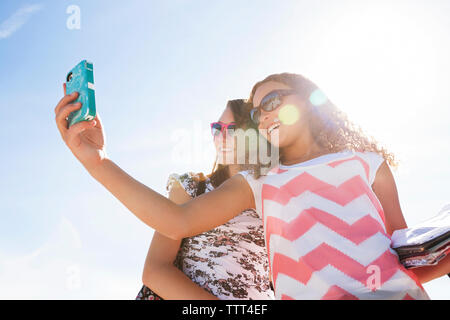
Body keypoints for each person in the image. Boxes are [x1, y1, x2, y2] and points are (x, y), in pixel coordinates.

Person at [54, 74, 449, 299]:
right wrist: (96, 161)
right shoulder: (260, 183)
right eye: (258, 110)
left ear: (311, 100)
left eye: (273, 99)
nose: (264, 115)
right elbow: (174, 221)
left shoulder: (367, 163)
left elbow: (407, 255)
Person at [136, 99, 274, 300]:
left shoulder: (273, 189)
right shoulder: (192, 186)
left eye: (232, 130)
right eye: (217, 128)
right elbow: (154, 271)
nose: (222, 137)